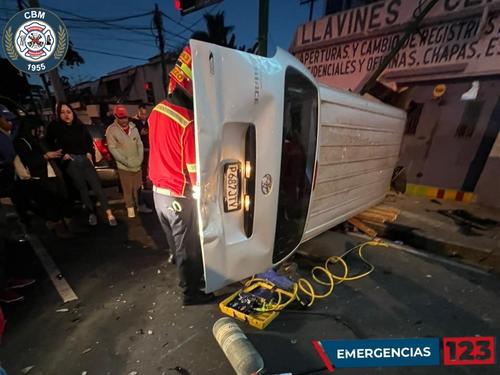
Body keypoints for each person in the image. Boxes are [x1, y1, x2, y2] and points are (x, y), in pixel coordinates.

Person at [148, 46, 214, 306]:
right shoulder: (187, 120)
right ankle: (191, 292)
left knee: (174, 242)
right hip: (178, 194)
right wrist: (204, 197)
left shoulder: (156, 111)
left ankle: (177, 264)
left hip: (157, 192)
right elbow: (194, 168)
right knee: (188, 245)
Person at [45, 103, 117, 227]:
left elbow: (88, 141)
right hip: (71, 162)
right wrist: (62, 155)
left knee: (97, 188)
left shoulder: (79, 126)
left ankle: (109, 213)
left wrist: (89, 153)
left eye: (68, 111)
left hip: (84, 158)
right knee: (82, 189)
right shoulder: (55, 127)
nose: (66, 115)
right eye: (62, 112)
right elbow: (49, 143)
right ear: (58, 114)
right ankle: (91, 214)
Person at [13, 118, 74, 238]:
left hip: (52, 173)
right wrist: (46, 156)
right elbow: (29, 160)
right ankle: (58, 229)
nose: (40, 131)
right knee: (51, 204)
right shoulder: (20, 141)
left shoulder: (38, 140)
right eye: (38, 128)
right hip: (39, 177)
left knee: (59, 200)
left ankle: (61, 226)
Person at [106, 105, 150, 218]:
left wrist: (140, 158)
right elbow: (113, 148)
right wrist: (125, 161)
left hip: (136, 163)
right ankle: (130, 207)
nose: (124, 120)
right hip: (124, 166)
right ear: (115, 117)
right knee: (127, 188)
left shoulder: (133, 127)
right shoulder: (111, 130)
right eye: (121, 118)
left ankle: (140, 205)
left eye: (125, 117)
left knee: (138, 187)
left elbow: (139, 144)